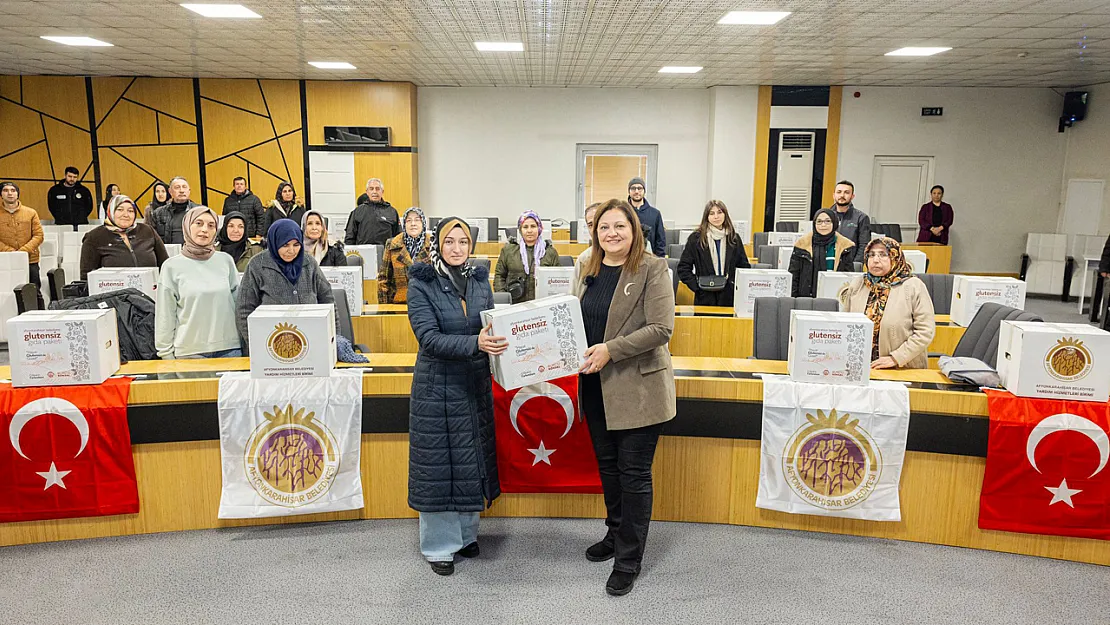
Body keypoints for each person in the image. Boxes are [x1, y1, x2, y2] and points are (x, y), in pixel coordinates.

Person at [575, 198, 675, 596]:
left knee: (633, 476)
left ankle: (629, 559)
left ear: (634, 229)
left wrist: (610, 349)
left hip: (639, 390)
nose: (611, 234)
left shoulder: (652, 268)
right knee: (609, 469)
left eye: (619, 226)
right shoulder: (588, 268)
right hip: (595, 387)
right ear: (595, 233)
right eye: (604, 228)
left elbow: (661, 329)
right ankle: (615, 535)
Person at [406, 217, 502, 577]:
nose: (457, 248)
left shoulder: (480, 280)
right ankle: (439, 546)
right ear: (438, 245)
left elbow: (490, 325)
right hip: (438, 387)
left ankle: (464, 535)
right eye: (450, 242)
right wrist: (476, 342)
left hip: (473, 382)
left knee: (470, 461)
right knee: (440, 467)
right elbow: (428, 338)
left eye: (463, 242)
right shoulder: (422, 282)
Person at [154, 206, 241, 359]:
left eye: (211, 225)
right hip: (190, 352)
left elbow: (238, 305)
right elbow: (165, 315)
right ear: (187, 226)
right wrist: (165, 354)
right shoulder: (171, 267)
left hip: (230, 349)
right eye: (198, 223)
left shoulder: (225, 261)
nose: (204, 230)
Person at [839, 237, 936, 369]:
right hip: (860, 365)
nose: (875, 260)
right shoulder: (858, 283)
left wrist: (896, 357)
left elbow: (925, 331)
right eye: (871, 255)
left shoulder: (913, 286)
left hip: (901, 367)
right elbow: (845, 324)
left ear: (895, 257)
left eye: (883, 255)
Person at [235, 219, 336, 343]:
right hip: (270, 341)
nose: (291, 251)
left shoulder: (309, 263)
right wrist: (254, 343)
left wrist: (334, 338)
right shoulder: (257, 265)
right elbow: (244, 309)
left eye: (296, 245)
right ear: (274, 242)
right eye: (285, 245)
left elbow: (328, 300)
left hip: (310, 338)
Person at [676, 199, 751, 307]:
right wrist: (698, 286)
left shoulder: (734, 238)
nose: (716, 217)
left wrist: (734, 285)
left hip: (729, 298)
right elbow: (683, 268)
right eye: (712, 213)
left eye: (719, 212)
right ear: (706, 217)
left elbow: (744, 267)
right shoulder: (696, 238)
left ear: (725, 214)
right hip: (704, 297)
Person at [79, 194, 168, 279]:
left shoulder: (148, 231)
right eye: (120, 210)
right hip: (114, 293)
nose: (126, 215)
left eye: (130, 211)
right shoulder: (94, 237)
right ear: (111, 211)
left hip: (150, 290)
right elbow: (87, 277)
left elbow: (165, 264)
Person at [494, 210, 560, 303]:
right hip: (515, 304)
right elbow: (499, 276)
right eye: (525, 227)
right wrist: (504, 300)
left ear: (539, 228)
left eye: (533, 226)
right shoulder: (508, 250)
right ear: (520, 230)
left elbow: (557, 281)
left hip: (542, 305)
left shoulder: (550, 252)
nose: (529, 230)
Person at [788, 208, 856, 298]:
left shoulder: (845, 246)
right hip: (806, 298)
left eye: (827, 221)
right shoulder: (802, 245)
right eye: (819, 221)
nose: (823, 225)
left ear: (834, 223)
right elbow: (794, 276)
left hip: (834, 297)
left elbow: (848, 277)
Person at [0, 182, 45, 303]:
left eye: (13, 190)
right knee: (8, 294)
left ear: (18, 194)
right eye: (6, 190)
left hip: (30, 260)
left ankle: (39, 317)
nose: (10, 193)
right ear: (1, 194)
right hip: (5, 261)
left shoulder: (31, 212)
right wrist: (12, 253)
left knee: (35, 292)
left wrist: (22, 252)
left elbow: (39, 235)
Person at [378, 206, 432, 304]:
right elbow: (384, 279)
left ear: (423, 223)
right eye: (409, 220)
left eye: (417, 220)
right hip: (400, 303)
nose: (413, 224)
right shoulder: (392, 244)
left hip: (428, 304)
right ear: (404, 224)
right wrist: (384, 308)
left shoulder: (433, 245)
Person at [345, 178, 399, 246]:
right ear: (367, 192)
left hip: (386, 254)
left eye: (377, 189)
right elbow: (349, 238)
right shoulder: (357, 212)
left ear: (382, 191)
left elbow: (398, 238)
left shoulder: (392, 212)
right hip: (363, 254)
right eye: (371, 189)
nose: (374, 192)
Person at [149, 176, 199, 245]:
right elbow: (151, 238)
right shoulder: (158, 213)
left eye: (184, 187)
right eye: (177, 187)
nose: (181, 190)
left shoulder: (200, 211)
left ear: (189, 190)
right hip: (168, 253)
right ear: (170, 191)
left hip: (194, 253)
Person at [829, 180, 870, 262]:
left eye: (846, 192)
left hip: (849, 265)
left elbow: (864, 245)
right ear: (834, 195)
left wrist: (856, 265)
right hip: (828, 262)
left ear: (852, 196)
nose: (842, 195)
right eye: (839, 192)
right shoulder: (825, 216)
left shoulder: (861, 217)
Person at [627, 177, 666, 257]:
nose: (636, 191)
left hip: (649, 258)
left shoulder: (655, 214)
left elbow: (660, 240)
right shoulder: (623, 212)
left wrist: (660, 260)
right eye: (633, 188)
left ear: (644, 191)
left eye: (640, 188)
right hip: (627, 257)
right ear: (629, 191)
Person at [47, 166, 92, 230]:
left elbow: (89, 206)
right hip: (61, 224)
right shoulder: (55, 190)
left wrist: (82, 216)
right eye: (70, 176)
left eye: (75, 177)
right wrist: (59, 217)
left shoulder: (84, 190)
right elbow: (51, 206)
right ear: (65, 176)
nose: (72, 179)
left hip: (80, 224)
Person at [572, 202, 601, 297]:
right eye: (590, 225)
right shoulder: (584, 259)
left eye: (598, 221)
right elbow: (574, 295)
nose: (595, 229)